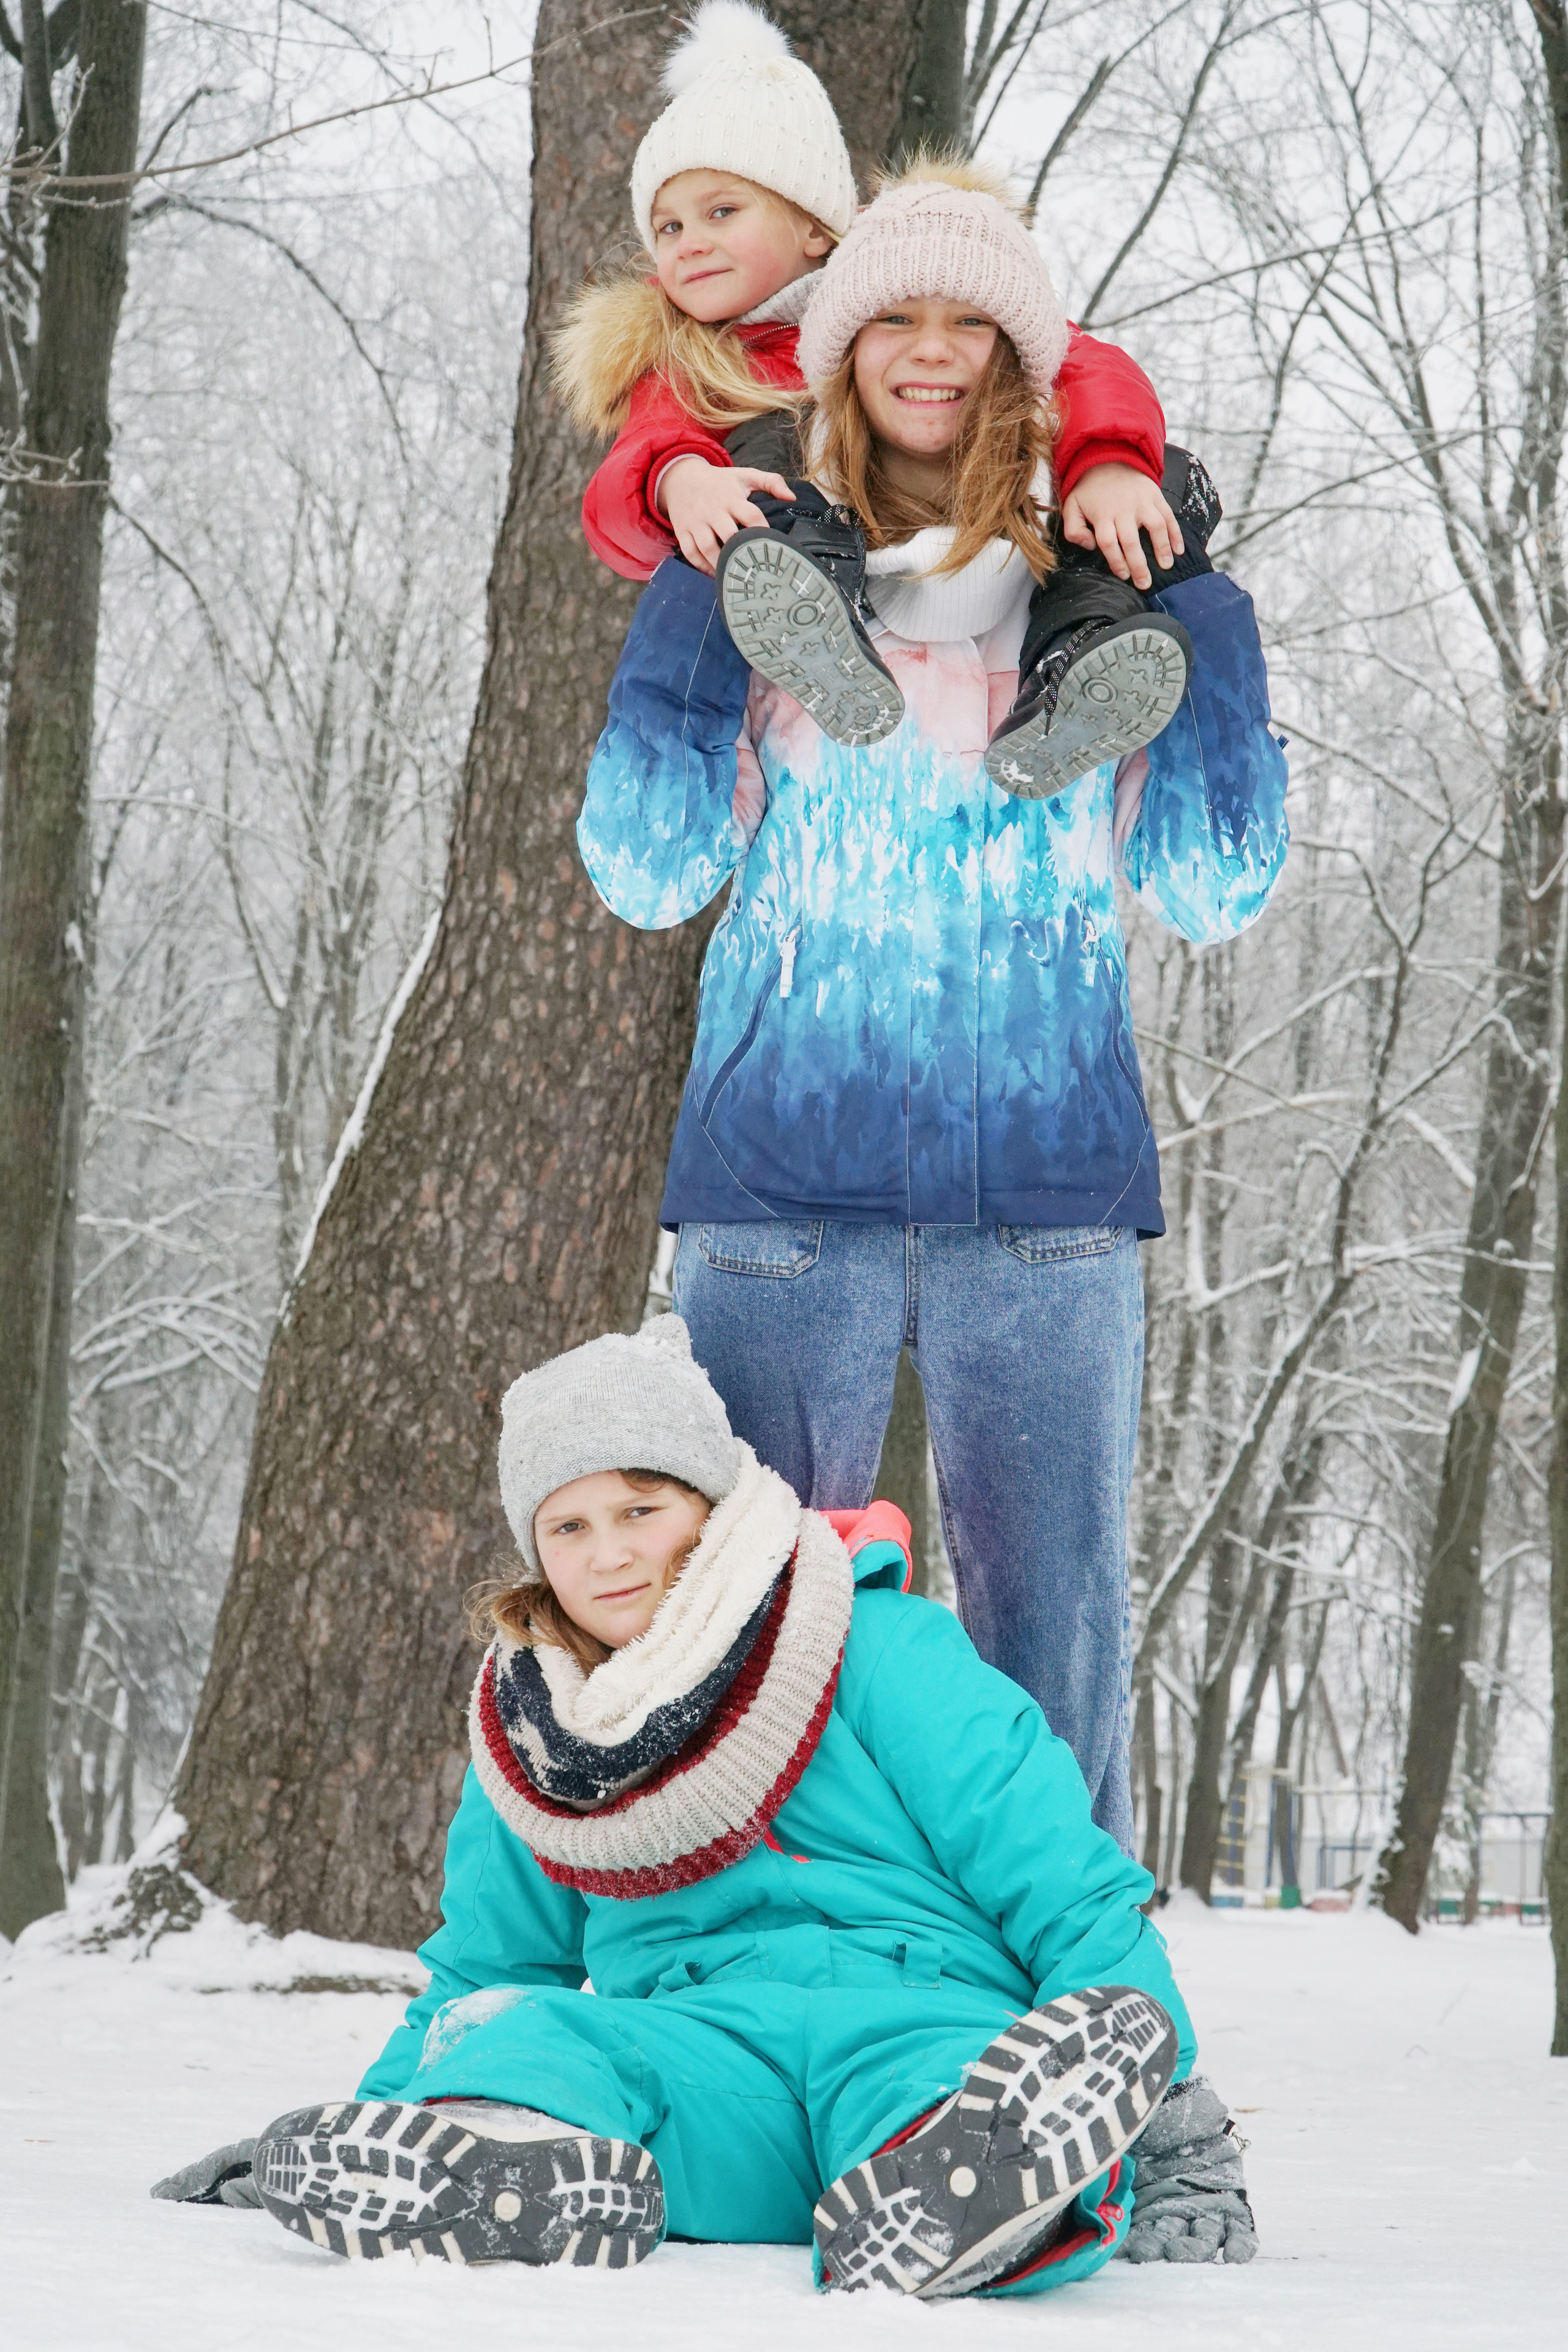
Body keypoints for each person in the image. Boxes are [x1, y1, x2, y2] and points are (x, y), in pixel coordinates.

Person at [575, 161, 1289, 1852]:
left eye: (967, 322)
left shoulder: (1108, 594)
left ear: (1021, 357)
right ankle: (749, 1967)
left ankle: (1081, 1986)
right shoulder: (754, 579)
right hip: (775, 1196)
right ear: (835, 349)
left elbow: (1213, 888)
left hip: (1044, 1206)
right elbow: (645, 870)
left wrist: (1205, 618)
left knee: (1055, 1631)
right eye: (890, 317)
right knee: (739, 1628)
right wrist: (692, 610)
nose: (926, 351)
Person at [157, 1318, 1255, 2284]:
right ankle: (493, 2164)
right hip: (704, 2069)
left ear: (709, 1506)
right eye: (568, 1527)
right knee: (532, 2035)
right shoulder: (541, 1740)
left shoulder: (875, 1645)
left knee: (949, 2094)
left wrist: (1175, 2130)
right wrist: (386, 2119)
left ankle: (966, 2196)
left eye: (640, 1508)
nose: (609, 1555)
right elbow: (487, 1972)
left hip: (925, 2025)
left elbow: (1064, 1885)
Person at [554, 0, 1196, 783]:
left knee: (1168, 479)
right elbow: (628, 476)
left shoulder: (901, 276)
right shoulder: (691, 365)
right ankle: (808, 616)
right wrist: (677, 479)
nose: (690, 244)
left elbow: (1080, 362)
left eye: (721, 212)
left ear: (812, 225)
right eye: (668, 228)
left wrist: (1109, 461)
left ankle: (1082, 647)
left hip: (980, 530)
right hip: (804, 553)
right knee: (771, 435)